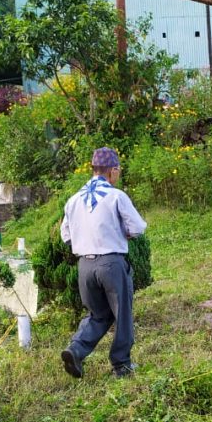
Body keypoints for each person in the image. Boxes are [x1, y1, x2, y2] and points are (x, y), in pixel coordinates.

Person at [60, 147, 147, 379]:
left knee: (98, 314)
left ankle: (76, 350)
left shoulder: (73, 200)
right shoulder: (116, 196)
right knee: (122, 314)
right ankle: (122, 364)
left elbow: (65, 235)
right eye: (118, 170)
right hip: (111, 264)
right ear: (113, 170)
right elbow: (138, 228)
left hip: (85, 267)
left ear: (93, 169)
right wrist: (123, 233)